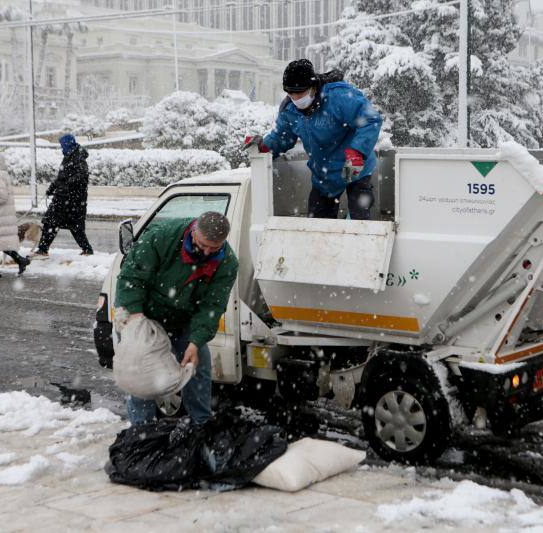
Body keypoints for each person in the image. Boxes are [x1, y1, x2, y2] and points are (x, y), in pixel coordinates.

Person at [114, 211, 239, 426]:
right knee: (143, 376)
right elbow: (131, 277)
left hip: (183, 318)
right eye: (202, 244)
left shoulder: (226, 262)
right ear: (193, 231)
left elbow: (212, 306)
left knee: (198, 367)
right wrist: (136, 320)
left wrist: (195, 342)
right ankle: (142, 433)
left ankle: (201, 427)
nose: (207, 252)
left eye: (214, 248)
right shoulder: (162, 237)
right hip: (143, 313)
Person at [245, 59, 383, 220]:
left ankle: (359, 235)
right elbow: (282, 136)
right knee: (317, 224)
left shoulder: (339, 96)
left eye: (300, 93)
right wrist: (264, 147)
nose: (296, 98)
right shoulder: (289, 110)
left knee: (359, 218)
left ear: (313, 87)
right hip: (324, 174)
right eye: (291, 93)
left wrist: (357, 151)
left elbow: (371, 120)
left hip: (353, 164)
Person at [30, 134, 93, 258]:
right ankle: (43, 249)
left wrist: (65, 186)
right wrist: (52, 188)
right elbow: (61, 178)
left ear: (68, 144)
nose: (61, 148)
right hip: (62, 199)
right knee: (50, 222)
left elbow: (80, 179)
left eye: (62, 145)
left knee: (75, 227)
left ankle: (87, 249)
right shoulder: (68, 157)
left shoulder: (79, 159)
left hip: (73, 201)